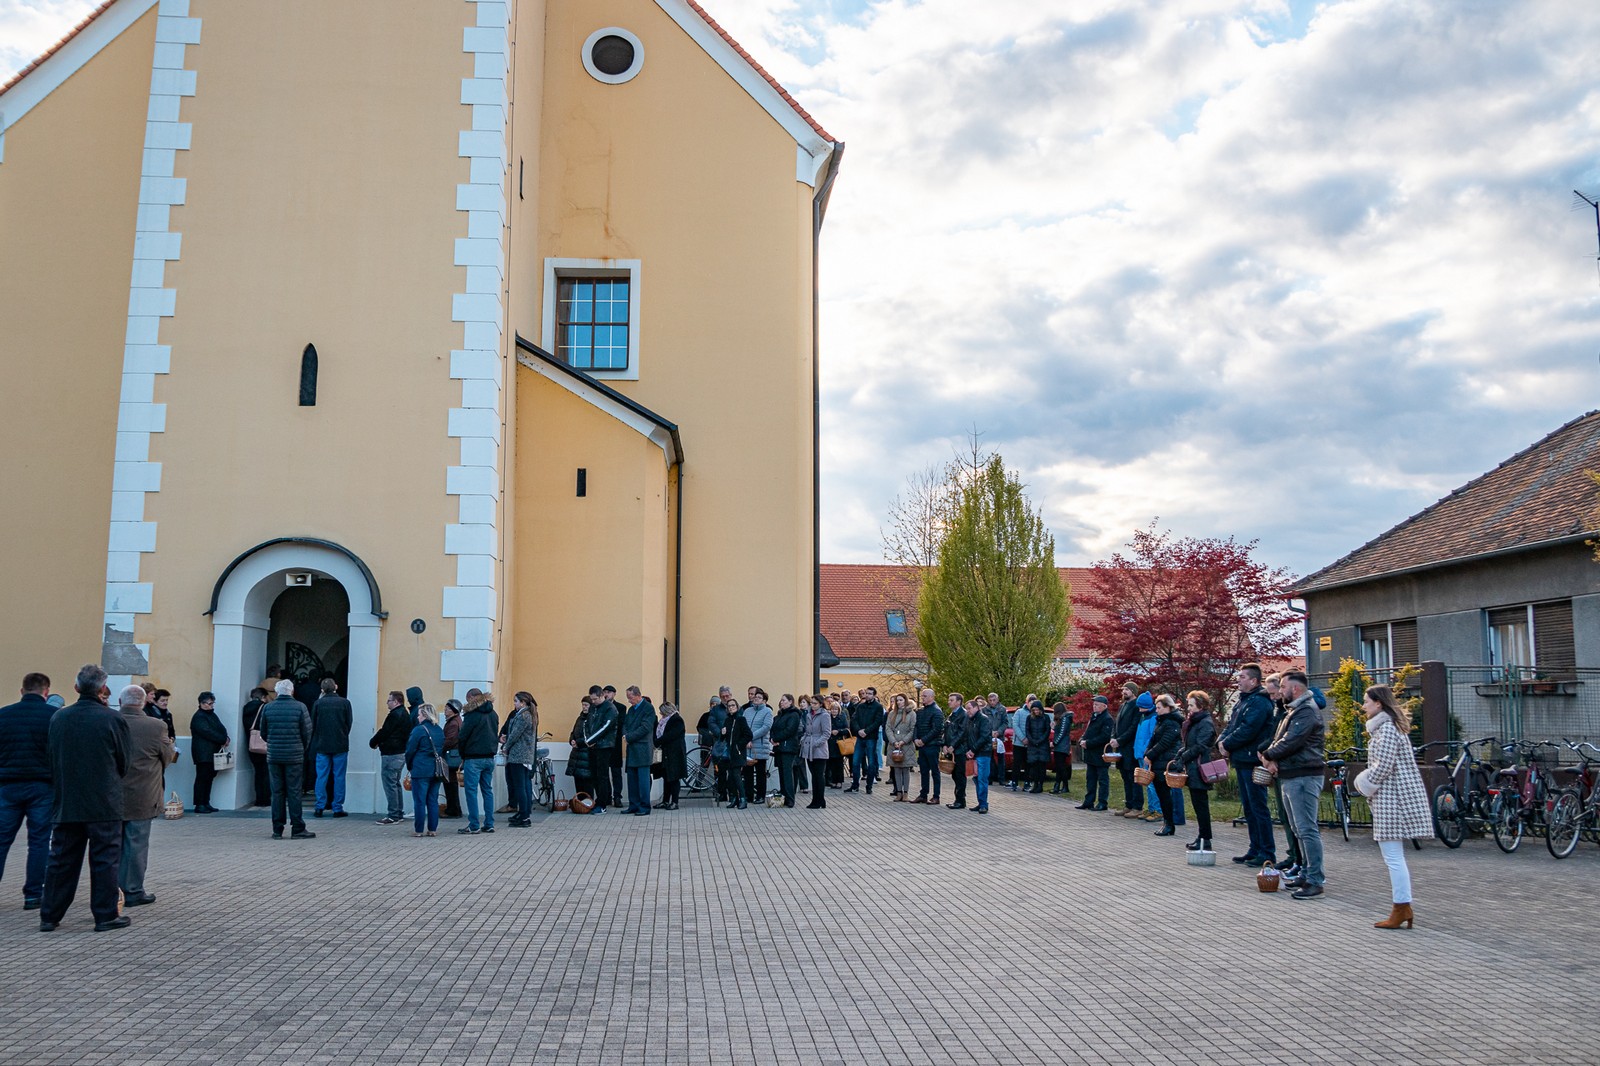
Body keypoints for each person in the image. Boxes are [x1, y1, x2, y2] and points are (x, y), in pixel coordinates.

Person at [39, 665, 131, 932]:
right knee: (104, 860)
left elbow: (51, 758)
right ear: (103, 689)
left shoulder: (59, 718)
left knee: (61, 860)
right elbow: (124, 761)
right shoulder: (113, 719)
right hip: (104, 800)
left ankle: (49, 914)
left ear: (76, 687)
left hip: (68, 799)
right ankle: (105, 915)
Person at [1354, 685, 1433, 928]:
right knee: (1393, 856)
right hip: (1392, 796)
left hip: (1393, 798)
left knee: (1393, 857)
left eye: (1367, 701)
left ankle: (1402, 907)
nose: (1364, 705)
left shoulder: (1386, 729)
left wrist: (1363, 783)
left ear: (1379, 704)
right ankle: (1402, 908)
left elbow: (1384, 766)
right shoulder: (1387, 728)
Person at [1260, 670, 1327, 900]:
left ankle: (1315, 880)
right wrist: (1271, 756)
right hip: (1291, 774)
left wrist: (1268, 755)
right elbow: (1280, 739)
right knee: (1298, 828)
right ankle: (1306, 872)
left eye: (1283, 686)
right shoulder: (1294, 710)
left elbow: (1291, 741)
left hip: (1304, 775)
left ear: (1295, 689)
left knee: (1307, 829)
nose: (1280, 691)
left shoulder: (1307, 711)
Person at [0, 672, 57, 910]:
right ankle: (33, 894)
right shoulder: (53, 717)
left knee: (2, 841)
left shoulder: (3, 715)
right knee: (39, 841)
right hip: (42, 786)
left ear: (22, 691)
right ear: (46, 692)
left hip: (7, 785)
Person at [117, 683, 176, 906]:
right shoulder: (155, 726)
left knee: (111, 844)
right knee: (136, 844)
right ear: (143, 703)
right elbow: (167, 757)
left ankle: (111, 890)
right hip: (142, 793)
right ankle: (132, 890)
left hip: (110, 793)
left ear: (121, 702)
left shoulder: (109, 721)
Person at [1218, 663, 1277, 868]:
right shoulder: (1242, 701)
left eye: (1242, 677)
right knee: (1249, 808)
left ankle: (1266, 851)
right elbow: (1231, 725)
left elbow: (1248, 729)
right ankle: (1254, 848)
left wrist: (1228, 744)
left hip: (1252, 760)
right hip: (1241, 759)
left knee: (1258, 807)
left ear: (1253, 680)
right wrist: (1221, 741)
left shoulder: (1259, 703)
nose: (1238, 679)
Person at [261, 679, 315, 841]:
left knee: (277, 792)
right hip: (294, 756)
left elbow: (263, 732)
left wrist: (273, 743)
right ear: (292, 691)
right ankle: (297, 827)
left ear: (277, 692)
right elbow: (307, 732)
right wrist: (301, 748)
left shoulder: (268, 708)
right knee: (294, 792)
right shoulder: (300, 707)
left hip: (274, 755)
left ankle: (277, 829)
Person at [1172, 691, 1218, 852]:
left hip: (1199, 767)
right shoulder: (1194, 722)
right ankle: (1202, 837)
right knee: (1198, 805)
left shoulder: (1205, 723)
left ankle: (1205, 839)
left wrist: (1183, 757)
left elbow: (1200, 746)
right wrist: (1180, 754)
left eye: (1191, 705)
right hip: (1193, 766)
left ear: (1201, 705)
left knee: (1201, 806)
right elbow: (1190, 744)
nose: (1188, 708)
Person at [308, 678, 352, 818]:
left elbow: (312, 724)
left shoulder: (318, 703)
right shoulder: (345, 703)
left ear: (322, 690)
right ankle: (337, 807)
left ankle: (319, 806)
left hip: (322, 744)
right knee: (339, 776)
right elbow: (348, 723)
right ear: (336, 687)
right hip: (340, 744)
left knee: (321, 776)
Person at [457, 688, 500, 834]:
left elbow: (462, 737)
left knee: (471, 792)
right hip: (489, 757)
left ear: (471, 698)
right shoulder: (493, 714)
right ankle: (489, 823)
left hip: (473, 758)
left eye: (467, 699)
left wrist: (463, 756)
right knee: (487, 790)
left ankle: (474, 825)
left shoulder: (471, 715)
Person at [369, 690, 414, 825]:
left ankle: (393, 814)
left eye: (389, 700)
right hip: (400, 752)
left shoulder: (395, 715)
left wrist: (373, 742)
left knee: (390, 784)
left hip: (391, 753)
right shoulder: (404, 714)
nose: (387, 703)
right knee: (395, 783)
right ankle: (398, 812)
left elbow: (385, 731)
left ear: (395, 701)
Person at [1142, 694, 1182, 836]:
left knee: (1165, 795)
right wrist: (1147, 752)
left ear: (1167, 707)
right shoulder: (1161, 721)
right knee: (1161, 794)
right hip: (1158, 761)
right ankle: (1167, 822)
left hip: (1166, 761)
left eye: (1159, 707)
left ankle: (1169, 824)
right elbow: (1154, 739)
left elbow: (1165, 742)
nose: (1156, 710)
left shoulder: (1172, 722)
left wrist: (1150, 754)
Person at [404, 703, 446, 837]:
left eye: (419, 714)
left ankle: (418, 830)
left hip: (421, 769)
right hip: (436, 770)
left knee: (420, 801)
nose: (417, 717)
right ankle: (432, 829)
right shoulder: (439, 730)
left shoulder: (419, 730)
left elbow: (410, 750)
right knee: (433, 800)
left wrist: (410, 766)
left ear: (424, 715)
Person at [188, 691, 228, 813]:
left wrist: (226, 737)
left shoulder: (211, 715)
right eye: (209, 703)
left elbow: (219, 728)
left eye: (212, 703)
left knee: (209, 778)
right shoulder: (199, 717)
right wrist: (222, 738)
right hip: (203, 754)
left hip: (211, 753)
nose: (211, 706)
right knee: (202, 778)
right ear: (201, 703)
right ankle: (199, 804)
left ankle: (206, 802)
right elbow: (207, 732)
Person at [503, 692, 538, 827]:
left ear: (523, 702)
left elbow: (515, 735)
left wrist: (506, 746)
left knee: (520, 787)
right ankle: (523, 814)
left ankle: (524, 817)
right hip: (523, 755)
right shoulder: (527, 715)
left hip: (519, 756)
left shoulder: (524, 716)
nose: (514, 704)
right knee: (522, 786)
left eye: (516, 701)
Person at [1109, 683, 1144, 816]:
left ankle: (1137, 806)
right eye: (1123, 689)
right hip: (1121, 748)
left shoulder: (1136, 706)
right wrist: (1113, 737)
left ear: (1134, 692)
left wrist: (1120, 740)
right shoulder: (1123, 705)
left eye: (1127, 689)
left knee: (1133, 777)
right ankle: (1128, 804)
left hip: (1130, 747)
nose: (1124, 691)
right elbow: (1116, 724)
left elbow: (1133, 727)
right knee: (1125, 776)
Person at [623, 686, 656, 816]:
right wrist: (625, 734)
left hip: (642, 748)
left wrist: (629, 737)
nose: (629, 701)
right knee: (632, 779)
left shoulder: (648, 708)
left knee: (643, 780)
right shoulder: (631, 710)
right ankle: (634, 805)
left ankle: (644, 806)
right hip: (632, 748)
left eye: (630, 698)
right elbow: (625, 725)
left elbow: (646, 727)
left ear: (638, 695)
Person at [1076, 695, 1113, 810]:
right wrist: (1082, 739)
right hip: (1091, 754)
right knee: (1090, 778)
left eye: (1097, 704)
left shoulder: (1107, 719)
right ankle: (1089, 801)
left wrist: (1089, 743)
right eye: (1094, 704)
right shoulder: (1094, 717)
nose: (1094, 706)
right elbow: (1088, 731)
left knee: (1102, 779)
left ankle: (1102, 802)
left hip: (1101, 753)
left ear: (1104, 706)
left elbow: (1104, 737)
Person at [586, 686, 618, 814]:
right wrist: (588, 739)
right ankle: (598, 801)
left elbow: (605, 727)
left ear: (601, 696)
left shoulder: (610, 708)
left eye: (594, 699)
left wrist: (590, 740)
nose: (592, 702)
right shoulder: (593, 707)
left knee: (602, 775)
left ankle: (603, 803)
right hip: (593, 746)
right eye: (591, 699)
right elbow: (587, 724)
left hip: (604, 746)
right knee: (594, 775)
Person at [846, 687, 884, 793]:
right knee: (855, 761)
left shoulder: (878, 707)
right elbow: (854, 719)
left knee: (871, 762)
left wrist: (866, 731)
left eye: (870, 693)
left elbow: (878, 722)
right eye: (866, 693)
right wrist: (859, 730)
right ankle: (855, 785)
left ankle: (869, 786)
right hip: (860, 737)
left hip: (871, 737)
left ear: (874, 695)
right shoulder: (860, 706)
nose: (867, 695)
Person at [959, 699, 994, 813]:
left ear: (976, 708)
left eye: (969, 708)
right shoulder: (969, 720)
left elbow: (984, 737)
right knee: (976, 778)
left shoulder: (984, 719)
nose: (967, 711)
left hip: (983, 753)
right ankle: (981, 802)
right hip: (973, 754)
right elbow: (966, 736)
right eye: (967, 708)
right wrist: (967, 750)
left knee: (982, 778)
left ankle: (983, 804)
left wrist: (973, 749)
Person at [912, 688, 945, 805]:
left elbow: (937, 730)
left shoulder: (937, 711)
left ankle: (936, 796)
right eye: (922, 696)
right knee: (924, 771)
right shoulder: (920, 711)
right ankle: (923, 795)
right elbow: (916, 726)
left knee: (935, 771)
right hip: (922, 746)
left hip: (932, 745)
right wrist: (915, 739)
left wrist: (923, 740)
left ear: (932, 697)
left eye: (925, 696)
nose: (922, 698)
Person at [770, 695, 803, 807]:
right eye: (781, 700)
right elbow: (773, 728)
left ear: (790, 702)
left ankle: (790, 798)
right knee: (781, 773)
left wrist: (776, 739)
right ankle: (783, 796)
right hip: (779, 748)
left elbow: (789, 730)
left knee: (787, 773)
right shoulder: (780, 715)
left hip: (788, 748)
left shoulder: (794, 715)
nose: (781, 702)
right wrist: (772, 739)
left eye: (784, 700)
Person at [1130, 691, 1158, 821]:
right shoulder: (1143, 716)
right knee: (1146, 783)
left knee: (1151, 783)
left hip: (1146, 754)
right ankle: (1151, 808)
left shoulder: (1153, 717)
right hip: (1140, 753)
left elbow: (1151, 736)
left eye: (1141, 706)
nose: (1139, 709)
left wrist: (1147, 751)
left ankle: (1157, 810)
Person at [242, 687, 271, 807]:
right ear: (263, 697)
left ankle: (259, 798)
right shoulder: (264, 707)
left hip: (251, 744)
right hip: (263, 743)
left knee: (258, 772)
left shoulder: (246, 708)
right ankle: (265, 798)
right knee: (265, 772)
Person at [883, 694, 916, 801]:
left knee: (905, 769)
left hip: (906, 744)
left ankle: (906, 792)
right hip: (894, 744)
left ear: (905, 701)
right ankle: (898, 792)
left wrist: (903, 741)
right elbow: (888, 728)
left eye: (901, 700)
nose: (898, 702)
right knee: (896, 769)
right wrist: (893, 741)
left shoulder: (911, 714)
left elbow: (912, 729)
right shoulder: (892, 714)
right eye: (897, 700)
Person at [801, 696, 832, 809]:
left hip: (819, 749)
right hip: (809, 746)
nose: (813, 705)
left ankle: (818, 800)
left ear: (820, 704)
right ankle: (818, 800)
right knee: (814, 775)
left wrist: (816, 743)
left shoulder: (824, 715)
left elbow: (826, 733)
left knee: (819, 775)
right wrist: (803, 739)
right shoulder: (809, 714)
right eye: (812, 703)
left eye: (815, 703)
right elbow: (807, 730)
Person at [722, 698, 753, 809]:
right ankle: (734, 798)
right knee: (731, 777)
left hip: (738, 752)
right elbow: (724, 738)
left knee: (736, 776)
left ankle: (743, 799)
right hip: (729, 752)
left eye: (733, 705)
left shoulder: (741, 719)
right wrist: (722, 733)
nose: (731, 707)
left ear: (737, 707)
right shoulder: (727, 720)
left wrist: (739, 745)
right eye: (729, 706)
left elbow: (748, 735)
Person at [655, 702, 686, 810]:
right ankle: (665, 801)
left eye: (662, 711)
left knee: (674, 778)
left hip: (675, 753)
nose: (660, 713)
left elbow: (671, 735)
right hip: (667, 752)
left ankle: (674, 802)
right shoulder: (665, 720)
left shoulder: (676, 719)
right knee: (666, 777)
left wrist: (658, 741)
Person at [744, 688, 773, 802]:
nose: (756, 699)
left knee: (761, 773)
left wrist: (750, 736)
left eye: (759, 697)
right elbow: (743, 726)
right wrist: (746, 739)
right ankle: (748, 795)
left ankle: (760, 796)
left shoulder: (767, 711)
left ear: (764, 700)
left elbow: (765, 728)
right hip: (747, 746)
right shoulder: (747, 711)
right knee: (747, 773)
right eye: (755, 697)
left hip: (760, 746)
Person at [942, 695, 970, 809]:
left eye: (952, 700)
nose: (949, 702)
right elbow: (946, 730)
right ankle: (958, 798)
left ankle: (960, 800)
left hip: (959, 750)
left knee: (959, 775)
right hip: (950, 749)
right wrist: (944, 744)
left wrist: (953, 745)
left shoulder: (963, 714)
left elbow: (962, 732)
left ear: (959, 702)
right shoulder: (952, 714)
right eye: (949, 700)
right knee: (954, 775)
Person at [441, 699, 465, 818]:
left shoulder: (453, 723)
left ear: (454, 710)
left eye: (447, 708)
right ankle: (453, 808)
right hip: (454, 755)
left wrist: (440, 747)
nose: (445, 710)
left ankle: (453, 809)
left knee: (450, 783)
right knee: (451, 782)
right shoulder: (455, 721)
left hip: (451, 756)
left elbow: (450, 740)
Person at [569, 697, 596, 801]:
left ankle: (588, 804)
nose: (584, 707)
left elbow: (590, 735)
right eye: (583, 705)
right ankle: (580, 803)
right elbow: (573, 732)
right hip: (577, 754)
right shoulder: (580, 718)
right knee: (578, 780)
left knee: (587, 782)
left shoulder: (593, 718)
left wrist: (578, 742)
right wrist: (571, 740)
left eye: (586, 705)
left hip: (587, 754)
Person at [1023, 700, 1051, 793]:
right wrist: (1032, 740)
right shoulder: (1029, 718)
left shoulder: (1046, 717)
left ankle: (1040, 785)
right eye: (1034, 710)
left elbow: (1047, 730)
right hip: (1032, 745)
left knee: (1042, 766)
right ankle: (1035, 784)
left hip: (1043, 745)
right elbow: (1027, 730)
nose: (1036, 711)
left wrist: (1040, 741)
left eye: (1037, 709)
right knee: (1034, 766)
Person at [1050, 702, 1075, 795]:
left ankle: (1064, 786)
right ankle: (1058, 786)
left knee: (1061, 767)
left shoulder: (1064, 719)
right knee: (1060, 767)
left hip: (1062, 746)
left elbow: (1062, 733)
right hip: (1061, 746)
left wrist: (1055, 742)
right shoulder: (1063, 719)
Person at [827, 697, 849, 787]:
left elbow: (847, 729)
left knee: (839, 764)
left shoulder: (842, 716)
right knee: (830, 763)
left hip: (839, 743)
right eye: (832, 709)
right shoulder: (828, 717)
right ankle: (831, 781)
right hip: (829, 743)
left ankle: (839, 781)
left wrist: (838, 731)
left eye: (836, 709)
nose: (834, 711)